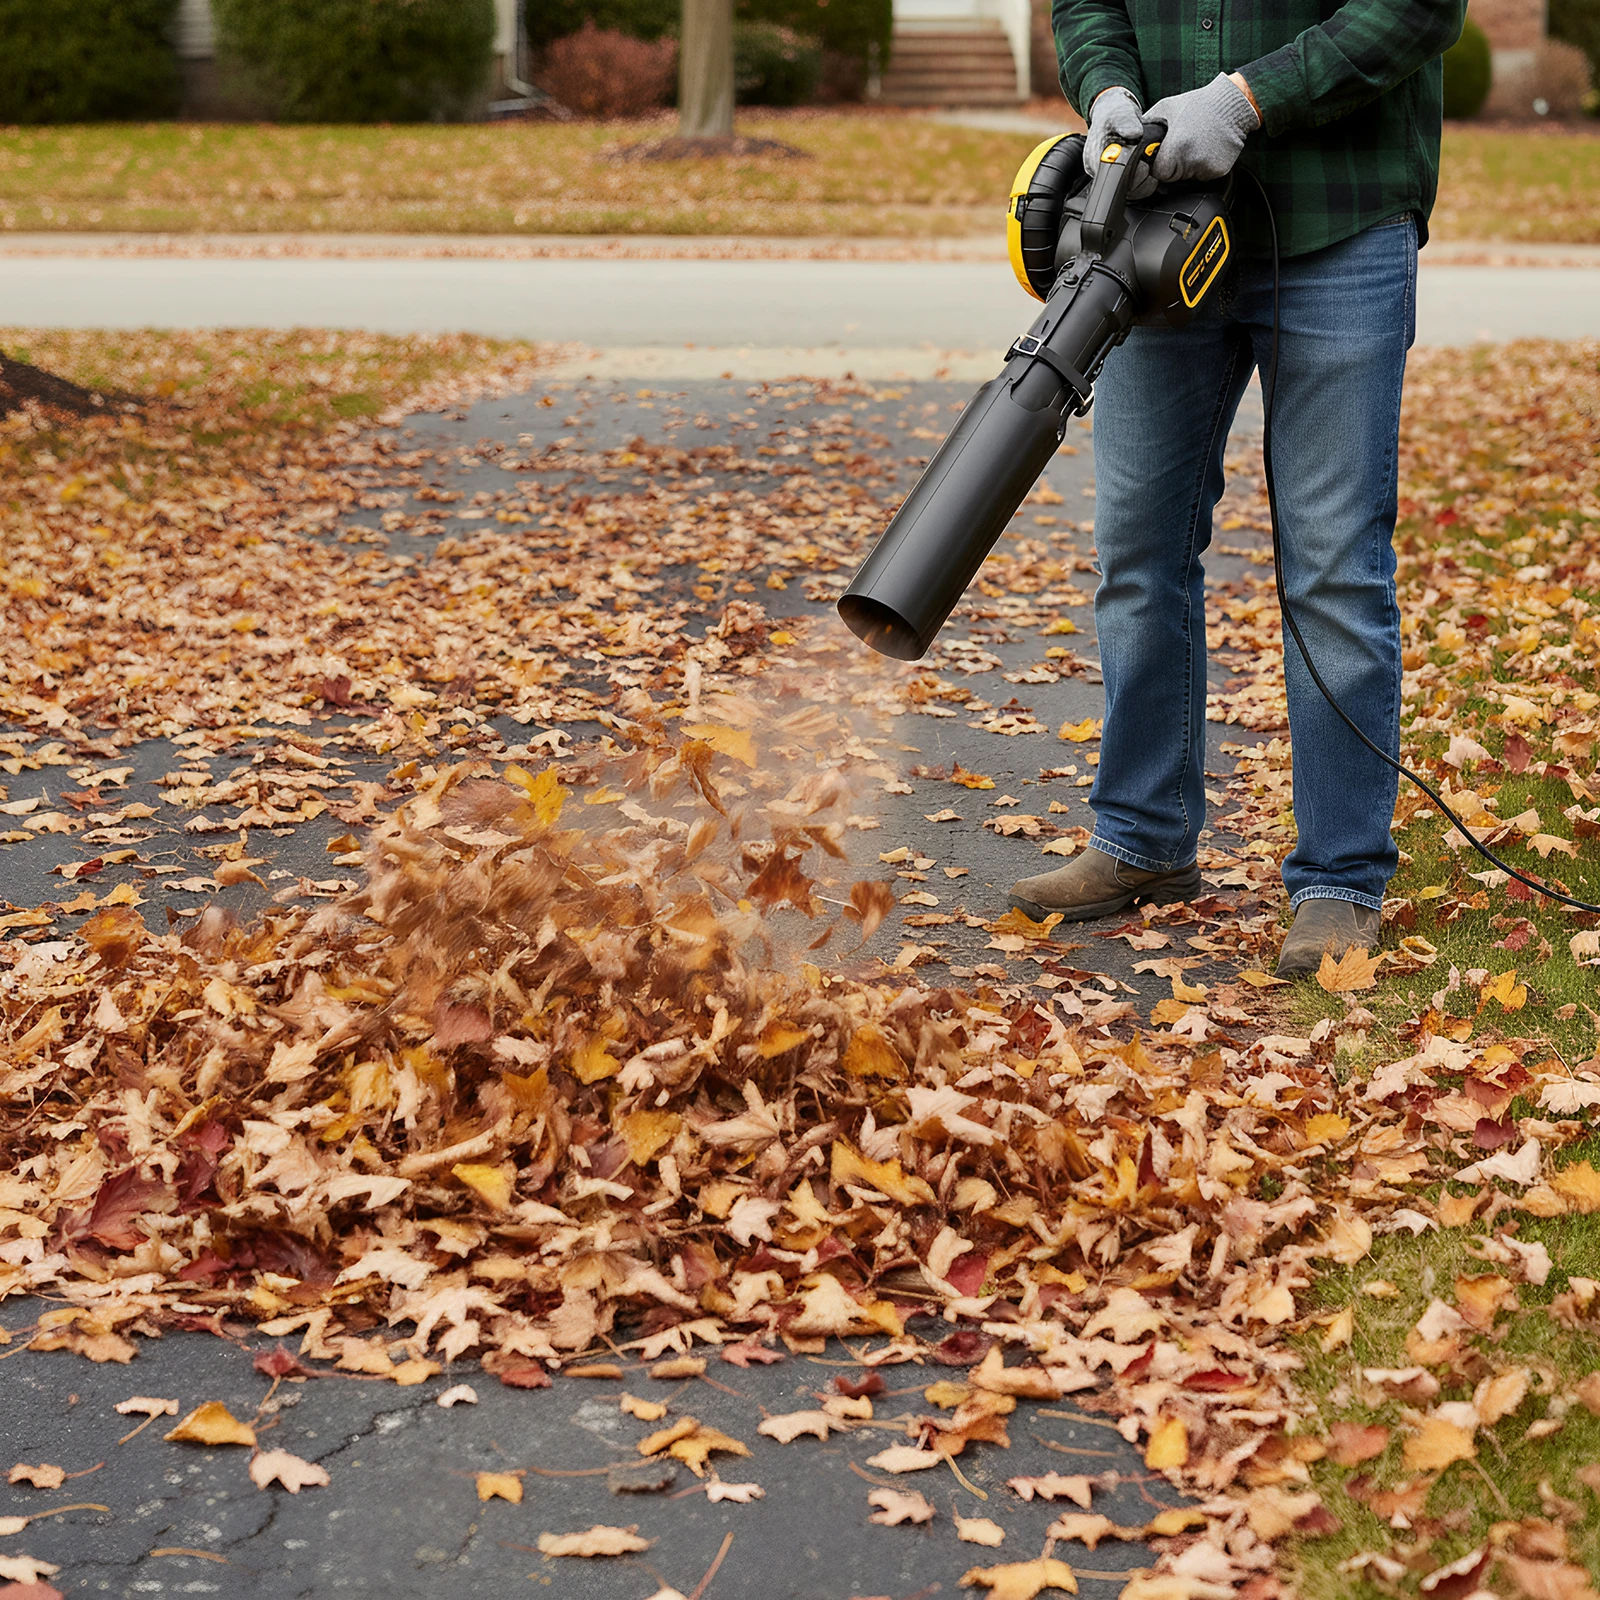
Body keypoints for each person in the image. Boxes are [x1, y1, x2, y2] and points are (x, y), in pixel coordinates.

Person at [1008, 0, 1467, 978]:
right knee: (1136, 544)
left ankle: (1341, 878)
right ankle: (1140, 834)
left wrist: (1246, 100)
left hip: (1338, 219)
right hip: (1151, 219)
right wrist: (1108, 92)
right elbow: (1088, 2)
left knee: (1334, 560)